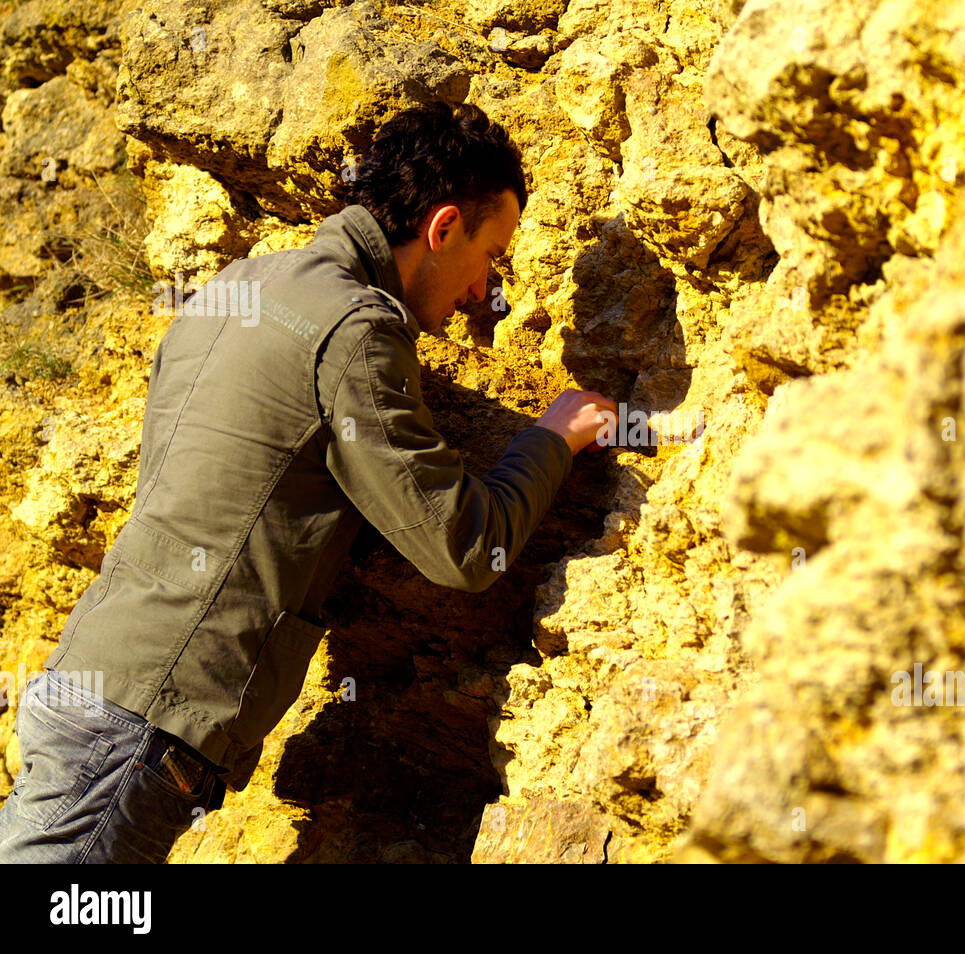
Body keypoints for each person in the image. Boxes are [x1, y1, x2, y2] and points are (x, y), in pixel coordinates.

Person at [0, 101, 616, 863]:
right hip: (142, 726)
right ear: (445, 226)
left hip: (91, 684)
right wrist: (551, 440)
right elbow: (462, 547)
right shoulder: (355, 329)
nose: (482, 289)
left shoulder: (235, 286)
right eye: (491, 255)